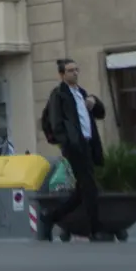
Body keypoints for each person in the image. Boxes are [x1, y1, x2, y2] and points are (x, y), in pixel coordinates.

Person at [39, 58, 111, 241]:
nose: (75, 73)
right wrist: (67, 143)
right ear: (62, 74)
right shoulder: (58, 94)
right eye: (71, 70)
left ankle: (50, 217)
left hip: (88, 144)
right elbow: (56, 123)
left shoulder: (83, 94)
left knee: (83, 190)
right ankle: (95, 230)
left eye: (76, 70)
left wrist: (94, 103)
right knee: (90, 187)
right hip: (75, 146)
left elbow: (100, 114)